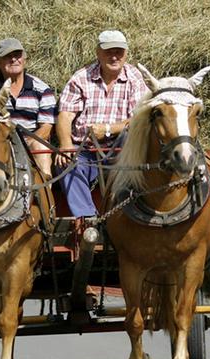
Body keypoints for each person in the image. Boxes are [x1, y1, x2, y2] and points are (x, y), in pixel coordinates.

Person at [55, 30, 148, 220]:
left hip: (122, 148)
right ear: (98, 52)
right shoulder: (81, 77)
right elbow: (65, 115)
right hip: (86, 149)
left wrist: (107, 130)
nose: (114, 56)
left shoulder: (134, 77)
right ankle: (89, 220)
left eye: (119, 52)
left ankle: (130, 217)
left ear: (126, 53)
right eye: (108, 51)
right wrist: (65, 144)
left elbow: (139, 119)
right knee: (66, 164)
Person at [0, 37, 57, 179]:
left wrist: (27, 142)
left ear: (24, 59)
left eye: (17, 55)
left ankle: (44, 193)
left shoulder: (41, 89)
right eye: (8, 56)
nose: (13, 60)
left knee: (42, 147)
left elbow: (47, 127)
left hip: (30, 142)